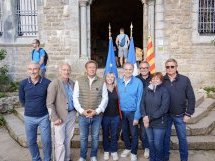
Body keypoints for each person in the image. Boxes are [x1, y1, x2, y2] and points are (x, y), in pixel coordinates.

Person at [73, 60, 108, 161]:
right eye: (90, 67)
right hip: (83, 115)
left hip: (97, 115)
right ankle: (83, 156)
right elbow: (75, 97)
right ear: (86, 69)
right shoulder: (79, 80)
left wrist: (97, 111)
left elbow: (105, 98)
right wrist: (81, 111)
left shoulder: (102, 81)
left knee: (95, 137)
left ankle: (93, 155)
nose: (92, 69)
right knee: (83, 137)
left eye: (94, 67)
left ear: (96, 69)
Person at [163, 58, 196, 161]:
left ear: (176, 67)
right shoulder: (162, 80)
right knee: (165, 139)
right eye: (167, 67)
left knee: (182, 139)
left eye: (172, 66)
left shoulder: (184, 79)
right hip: (166, 116)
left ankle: (184, 159)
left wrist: (188, 113)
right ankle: (165, 158)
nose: (170, 68)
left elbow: (191, 97)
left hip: (180, 115)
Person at [19, 61, 51, 161]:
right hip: (29, 117)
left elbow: (50, 99)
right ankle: (36, 158)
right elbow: (22, 99)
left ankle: (47, 159)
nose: (33, 71)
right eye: (30, 69)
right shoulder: (23, 83)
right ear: (28, 70)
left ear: (39, 70)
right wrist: (30, 108)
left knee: (46, 141)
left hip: (43, 117)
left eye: (35, 69)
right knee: (31, 141)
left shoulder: (47, 83)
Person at [46, 63, 76, 161]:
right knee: (59, 142)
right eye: (64, 70)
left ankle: (67, 158)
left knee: (68, 139)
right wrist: (54, 118)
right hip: (60, 117)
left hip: (71, 115)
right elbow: (49, 103)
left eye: (68, 70)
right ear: (60, 71)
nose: (66, 72)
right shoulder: (54, 83)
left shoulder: (72, 83)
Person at [117, 62, 143, 161]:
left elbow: (140, 100)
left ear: (133, 70)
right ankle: (128, 147)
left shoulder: (138, 82)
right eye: (126, 69)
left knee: (134, 133)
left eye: (130, 69)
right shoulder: (118, 82)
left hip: (133, 112)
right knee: (125, 132)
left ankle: (133, 152)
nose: (128, 71)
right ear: (123, 70)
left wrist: (137, 116)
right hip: (121, 112)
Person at [142, 72, 170, 161]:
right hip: (147, 122)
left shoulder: (164, 91)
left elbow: (164, 109)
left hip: (159, 122)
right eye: (153, 78)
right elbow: (141, 104)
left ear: (161, 81)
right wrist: (144, 115)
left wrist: (148, 118)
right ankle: (152, 159)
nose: (155, 80)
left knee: (158, 144)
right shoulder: (146, 89)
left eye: (157, 79)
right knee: (151, 142)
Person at [102, 72, 121, 161]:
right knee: (105, 133)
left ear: (114, 79)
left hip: (115, 116)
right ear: (105, 78)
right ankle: (106, 150)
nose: (110, 78)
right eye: (108, 77)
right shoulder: (102, 88)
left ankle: (113, 151)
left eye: (112, 77)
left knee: (114, 134)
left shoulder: (117, 88)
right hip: (104, 116)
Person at [136, 61, 151, 159]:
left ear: (149, 68)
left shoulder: (154, 78)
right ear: (139, 69)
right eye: (141, 68)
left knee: (153, 130)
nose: (143, 70)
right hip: (142, 109)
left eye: (145, 68)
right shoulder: (136, 79)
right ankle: (147, 147)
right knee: (143, 132)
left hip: (153, 109)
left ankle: (153, 147)